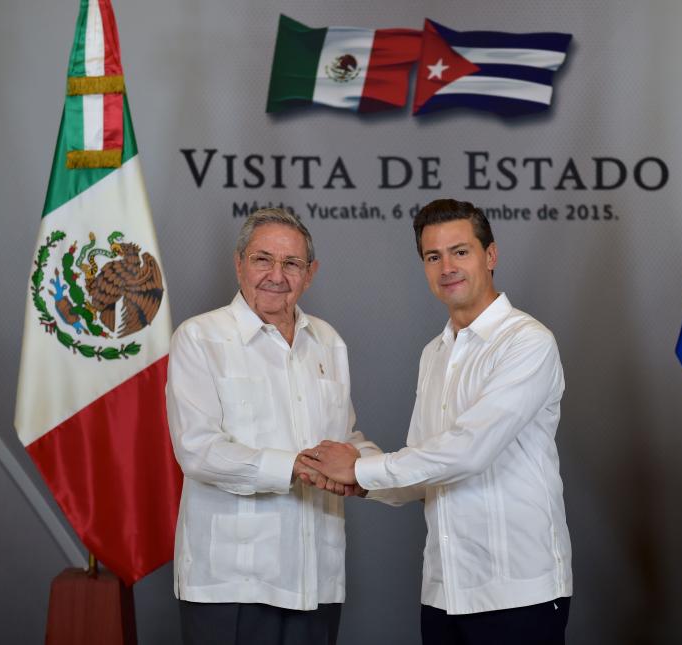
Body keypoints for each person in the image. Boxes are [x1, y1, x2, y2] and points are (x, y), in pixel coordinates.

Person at [302, 199, 573, 645]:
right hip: (445, 590)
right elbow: (424, 469)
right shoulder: (435, 353)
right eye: (433, 256)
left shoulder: (528, 342)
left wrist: (357, 467)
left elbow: (468, 452)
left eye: (460, 251)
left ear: (491, 256)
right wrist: (359, 483)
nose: (447, 267)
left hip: (518, 591)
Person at [166, 208, 377, 645]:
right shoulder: (199, 338)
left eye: (292, 263)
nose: (276, 275)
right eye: (263, 259)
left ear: (311, 273)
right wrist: (295, 466)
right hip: (232, 582)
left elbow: (346, 437)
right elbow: (198, 449)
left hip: (316, 576)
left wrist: (366, 471)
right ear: (239, 262)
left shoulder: (329, 341)